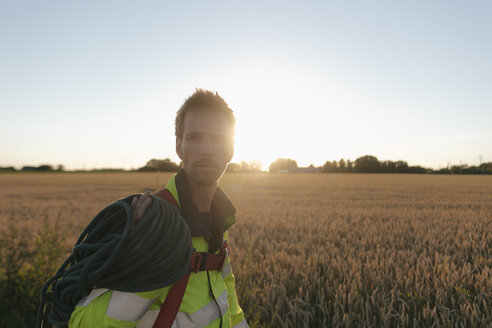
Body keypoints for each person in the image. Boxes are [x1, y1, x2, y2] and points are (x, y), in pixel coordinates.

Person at [69, 89, 248, 328]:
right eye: (195, 137)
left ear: (230, 150)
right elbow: (83, 324)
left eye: (217, 138)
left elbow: (230, 308)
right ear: (179, 147)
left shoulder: (219, 221)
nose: (206, 148)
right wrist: (143, 254)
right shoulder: (149, 223)